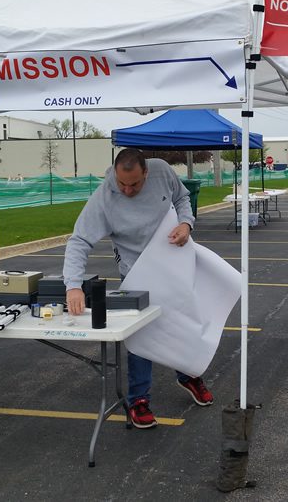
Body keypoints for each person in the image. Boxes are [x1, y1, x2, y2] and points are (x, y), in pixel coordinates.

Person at [62, 148, 213, 429]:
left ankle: (188, 373)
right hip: (135, 269)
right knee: (141, 333)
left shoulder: (162, 171)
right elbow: (80, 240)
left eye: (134, 184)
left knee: (185, 318)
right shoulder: (105, 197)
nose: (128, 191)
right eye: (122, 184)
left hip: (173, 260)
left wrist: (185, 223)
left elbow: (182, 197)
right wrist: (73, 286)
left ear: (146, 172)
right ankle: (139, 400)